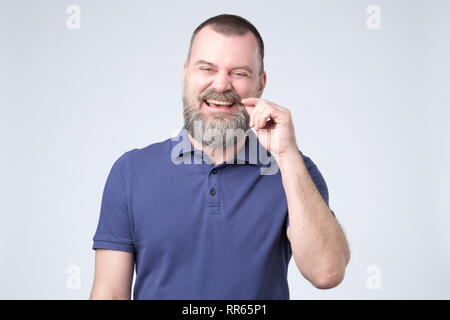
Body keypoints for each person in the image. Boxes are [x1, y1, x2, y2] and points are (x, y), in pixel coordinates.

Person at [90, 14, 350, 300]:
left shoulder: (295, 171)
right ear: (186, 73)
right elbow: (110, 294)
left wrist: (286, 155)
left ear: (260, 85)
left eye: (239, 73)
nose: (222, 85)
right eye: (207, 69)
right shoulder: (131, 172)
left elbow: (326, 272)